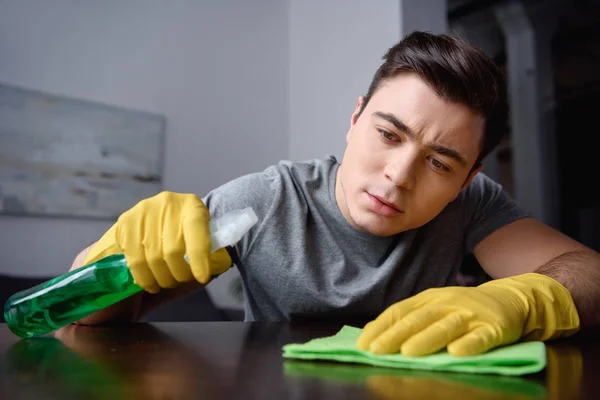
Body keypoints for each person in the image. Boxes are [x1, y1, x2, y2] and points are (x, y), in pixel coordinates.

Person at [70, 31, 600, 357]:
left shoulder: (473, 202)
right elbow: (81, 320)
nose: (398, 175)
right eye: (388, 135)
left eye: (439, 162)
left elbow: (589, 270)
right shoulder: (265, 200)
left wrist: (525, 298)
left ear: (465, 178)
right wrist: (108, 264)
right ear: (354, 119)